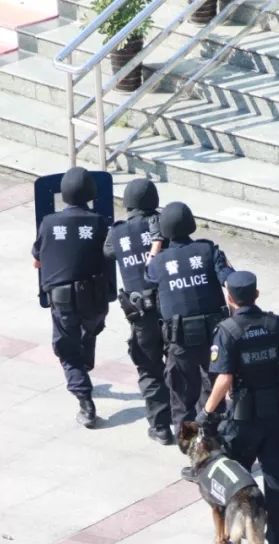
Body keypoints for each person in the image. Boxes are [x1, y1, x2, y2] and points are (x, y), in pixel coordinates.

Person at [196, 271, 279, 544]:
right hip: (276, 418)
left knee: (234, 481)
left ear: (229, 298)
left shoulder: (227, 330)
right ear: (256, 294)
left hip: (242, 422)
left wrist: (206, 412)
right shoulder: (276, 325)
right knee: (276, 480)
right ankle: (277, 539)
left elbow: (224, 378)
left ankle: (237, 532)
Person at [144, 201, 234, 442]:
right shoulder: (208, 250)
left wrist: (156, 242)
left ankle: (192, 448)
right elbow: (230, 279)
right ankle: (215, 441)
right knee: (214, 392)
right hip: (214, 339)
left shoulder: (160, 261)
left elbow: (148, 274)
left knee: (182, 399)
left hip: (180, 342)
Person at [32, 167, 111, 428]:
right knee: (89, 330)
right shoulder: (100, 223)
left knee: (67, 350)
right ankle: (85, 365)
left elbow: (36, 260)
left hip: (62, 299)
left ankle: (85, 402)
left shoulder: (48, 223)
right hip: (95, 298)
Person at [103, 179, 173, 445]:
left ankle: (161, 427)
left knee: (149, 369)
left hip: (140, 315)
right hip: (170, 310)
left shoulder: (117, 233)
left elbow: (108, 252)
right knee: (180, 366)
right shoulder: (162, 225)